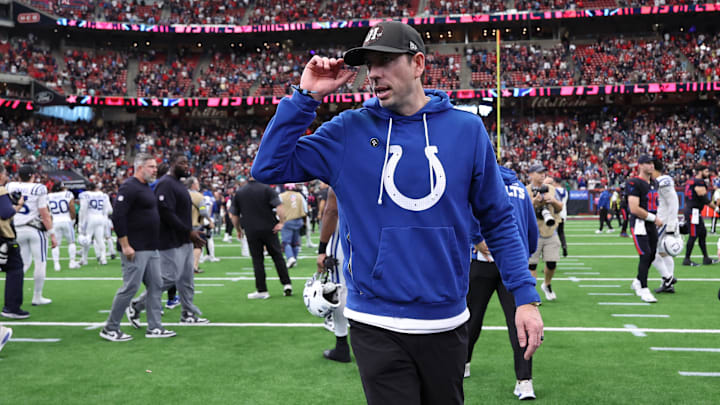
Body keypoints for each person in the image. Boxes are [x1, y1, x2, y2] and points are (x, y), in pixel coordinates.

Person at [251, 21, 543, 404]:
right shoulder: (349, 129)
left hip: (446, 320)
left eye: (386, 61)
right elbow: (268, 167)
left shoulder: (466, 130)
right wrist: (305, 97)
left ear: (418, 63)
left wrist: (524, 296)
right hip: (375, 324)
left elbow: (498, 219)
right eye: (370, 64)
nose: (374, 73)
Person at [466, 166, 540, 400]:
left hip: (482, 261)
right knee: (519, 323)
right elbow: (531, 228)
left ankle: (463, 364)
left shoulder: (477, 182)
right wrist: (523, 257)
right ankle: (524, 381)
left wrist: (476, 239)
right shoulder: (519, 187)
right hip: (513, 264)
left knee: (471, 319)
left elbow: (465, 212)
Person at [100, 153, 175, 341]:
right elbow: (118, 216)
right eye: (151, 166)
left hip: (151, 246)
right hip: (135, 247)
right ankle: (110, 328)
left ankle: (155, 327)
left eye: (155, 167)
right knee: (130, 287)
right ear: (140, 167)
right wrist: (125, 245)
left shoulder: (145, 187)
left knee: (157, 285)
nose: (155, 170)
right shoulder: (129, 187)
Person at [128, 153, 209, 325]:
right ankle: (136, 305)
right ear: (172, 164)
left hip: (184, 239)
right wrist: (188, 232)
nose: (186, 166)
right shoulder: (165, 184)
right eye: (182, 163)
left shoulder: (177, 184)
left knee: (187, 279)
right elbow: (165, 212)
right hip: (170, 240)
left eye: (187, 162)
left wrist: (189, 234)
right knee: (168, 278)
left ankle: (187, 314)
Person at [230, 176, 293, 299]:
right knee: (277, 257)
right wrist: (281, 222)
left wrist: (238, 230)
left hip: (251, 229)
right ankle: (286, 284)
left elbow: (234, 215)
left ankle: (262, 290)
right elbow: (279, 207)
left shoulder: (240, 192)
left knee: (257, 260)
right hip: (269, 227)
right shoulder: (267, 189)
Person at [6, 165, 58, 306]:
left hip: (16, 229)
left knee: (21, 264)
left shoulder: (11, 186)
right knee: (40, 262)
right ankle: (37, 296)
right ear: (33, 175)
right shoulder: (38, 188)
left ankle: (13, 294)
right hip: (35, 229)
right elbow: (44, 214)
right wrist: (52, 234)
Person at [315, 187, 350, 363]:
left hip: (346, 237)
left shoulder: (342, 170)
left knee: (338, 290)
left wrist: (322, 250)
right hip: (373, 236)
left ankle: (342, 345)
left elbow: (331, 210)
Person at [627, 155, 662, 303]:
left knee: (652, 254)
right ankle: (643, 288)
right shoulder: (634, 182)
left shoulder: (654, 183)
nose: (651, 166)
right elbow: (634, 208)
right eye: (647, 163)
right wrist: (653, 218)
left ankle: (638, 280)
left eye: (652, 163)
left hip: (650, 224)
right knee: (645, 254)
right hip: (640, 223)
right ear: (640, 165)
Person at [526, 163, 563, 301]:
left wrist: (552, 200)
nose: (542, 175)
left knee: (552, 262)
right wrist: (534, 202)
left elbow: (560, 208)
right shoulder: (525, 190)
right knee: (532, 265)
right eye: (538, 172)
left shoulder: (552, 189)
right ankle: (532, 293)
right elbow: (521, 210)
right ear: (531, 175)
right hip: (533, 232)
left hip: (550, 230)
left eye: (543, 172)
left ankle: (547, 284)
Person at [1, 164, 31, 320]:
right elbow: (6, 213)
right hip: (3, 236)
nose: (6, 177)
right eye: (5, 174)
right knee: (16, 269)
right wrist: (18, 204)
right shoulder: (1, 190)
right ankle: (12, 307)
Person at [652, 159, 681, 294]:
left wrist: (671, 224)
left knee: (649, 251)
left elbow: (673, 202)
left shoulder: (663, 180)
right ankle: (667, 282)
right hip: (663, 219)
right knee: (663, 252)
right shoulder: (660, 181)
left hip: (664, 221)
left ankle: (668, 278)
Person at [682, 165, 719, 266]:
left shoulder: (691, 181)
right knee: (693, 235)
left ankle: (706, 258)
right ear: (700, 171)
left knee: (702, 233)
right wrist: (716, 208)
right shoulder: (699, 182)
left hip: (694, 211)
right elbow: (704, 198)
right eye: (706, 171)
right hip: (693, 212)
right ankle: (686, 259)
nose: (708, 174)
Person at [78, 182, 113, 266]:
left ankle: (84, 259)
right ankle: (103, 258)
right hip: (100, 217)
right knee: (100, 239)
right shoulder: (103, 195)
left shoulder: (85, 195)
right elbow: (110, 210)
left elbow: (83, 209)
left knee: (87, 238)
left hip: (90, 218)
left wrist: (80, 223)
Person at [47, 183, 80, 271]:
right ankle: (72, 262)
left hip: (55, 221)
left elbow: (47, 210)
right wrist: (72, 219)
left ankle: (56, 264)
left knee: (55, 244)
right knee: (71, 242)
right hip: (66, 220)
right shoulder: (67, 194)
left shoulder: (49, 196)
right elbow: (72, 207)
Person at [279, 183, 307, 269]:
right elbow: (305, 209)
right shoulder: (299, 195)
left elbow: (276, 208)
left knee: (286, 242)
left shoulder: (281, 196)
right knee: (295, 243)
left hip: (287, 220)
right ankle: (294, 259)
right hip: (298, 220)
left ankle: (290, 258)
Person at [545, 176, 568, 257]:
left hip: (555, 213)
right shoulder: (565, 191)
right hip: (563, 213)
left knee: (552, 234)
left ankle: (553, 252)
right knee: (561, 232)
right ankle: (564, 246)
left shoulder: (554, 190)